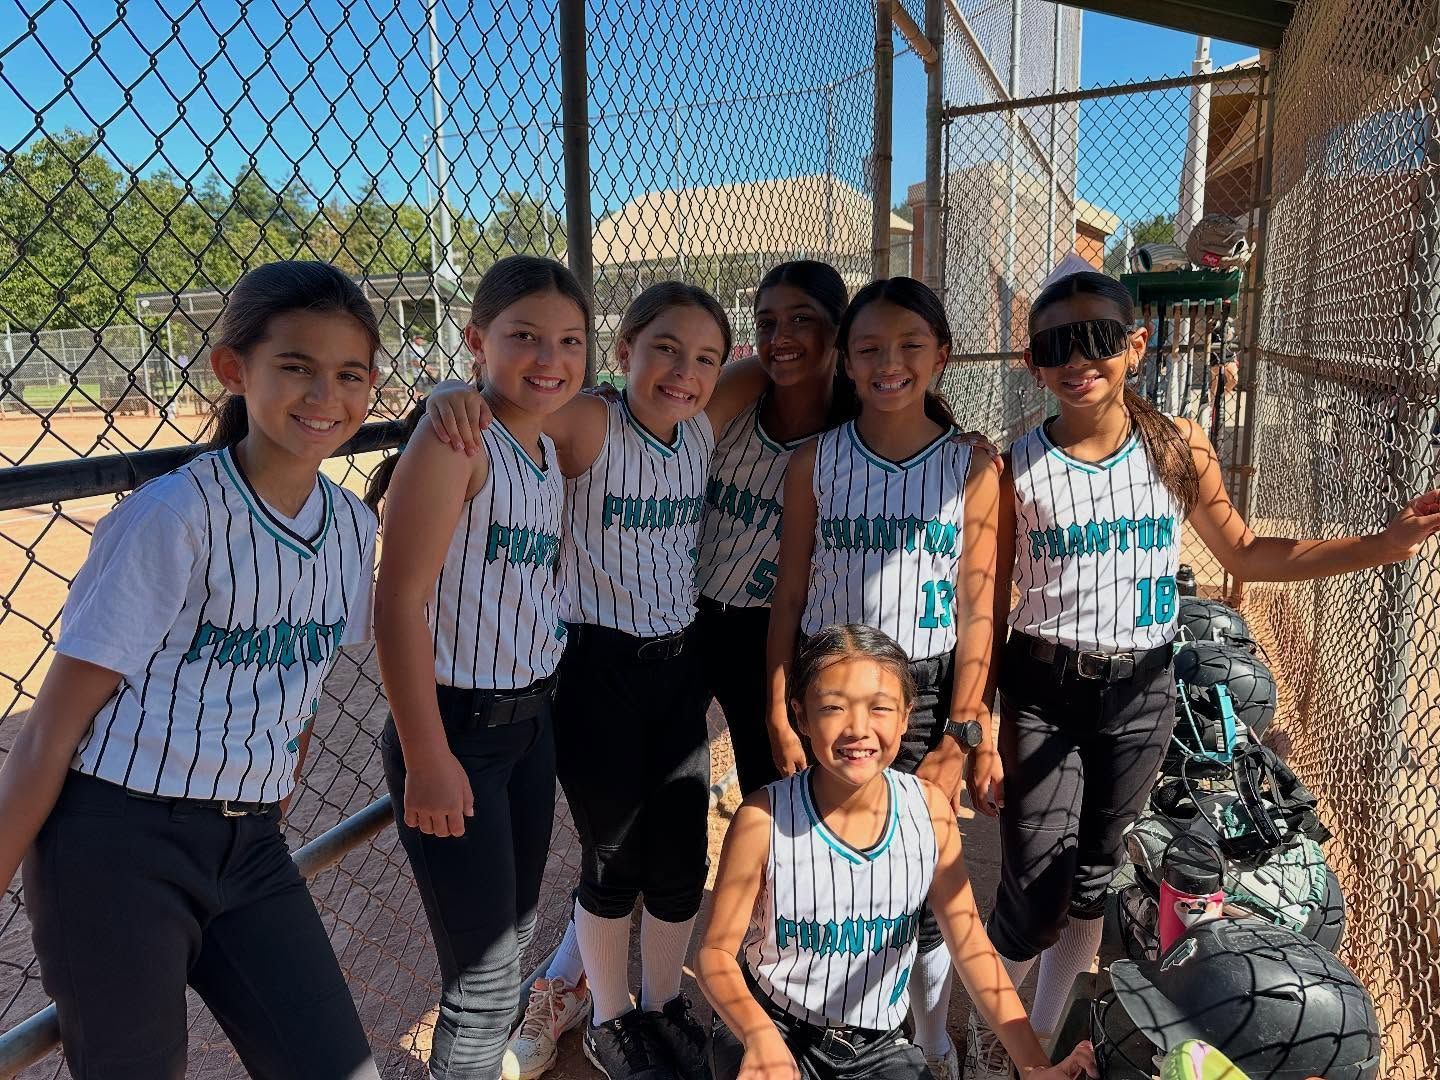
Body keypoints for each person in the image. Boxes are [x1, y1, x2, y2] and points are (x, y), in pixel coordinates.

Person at [963, 269, 1440, 1080]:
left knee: (1094, 878)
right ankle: (991, 1040)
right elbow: (984, 600)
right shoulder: (1017, 467)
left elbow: (1245, 552)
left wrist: (1379, 546)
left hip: (1143, 692)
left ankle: (1035, 1049)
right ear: (1032, 362)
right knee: (1033, 889)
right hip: (1043, 687)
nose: (1079, 360)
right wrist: (977, 725)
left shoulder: (1177, 448)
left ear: (1136, 346)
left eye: (1099, 339)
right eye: (1055, 346)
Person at [0, 261, 383, 1079]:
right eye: (296, 367)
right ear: (233, 370)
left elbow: (302, 682)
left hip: (249, 842)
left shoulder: (350, 525)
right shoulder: (173, 516)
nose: (325, 395)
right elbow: (51, 731)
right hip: (116, 843)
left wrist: (277, 772)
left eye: (348, 374)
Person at [423, 282, 769, 1080]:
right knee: (613, 858)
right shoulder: (594, 424)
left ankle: (661, 1006)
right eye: (665, 351)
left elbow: (766, 372)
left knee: (682, 856)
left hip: (678, 667)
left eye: (704, 358)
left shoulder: (699, 428)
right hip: (596, 670)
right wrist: (454, 391)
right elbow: (513, 405)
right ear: (622, 355)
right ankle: (612, 1020)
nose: (684, 372)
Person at [765, 276, 1000, 1079]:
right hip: (830, 693)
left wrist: (965, 729)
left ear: (942, 355)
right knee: (835, 861)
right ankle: (832, 1024)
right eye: (869, 348)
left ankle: (930, 1041)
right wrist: (776, 708)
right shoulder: (814, 463)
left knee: (927, 875)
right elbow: (790, 594)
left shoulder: (971, 466)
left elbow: (977, 610)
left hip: (927, 691)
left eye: (909, 346)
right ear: (846, 360)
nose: (888, 362)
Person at [366, 257, 589, 1079]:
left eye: (569, 340)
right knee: (485, 985)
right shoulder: (460, 439)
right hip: (456, 729)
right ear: (475, 341)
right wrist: (427, 757)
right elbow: (398, 603)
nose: (548, 357)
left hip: (531, 724)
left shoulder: (545, 443)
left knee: (516, 937)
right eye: (522, 336)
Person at [698, 624, 1096, 1080]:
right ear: (801, 716)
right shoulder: (763, 819)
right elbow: (714, 954)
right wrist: (758, 1036)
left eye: (879, 708)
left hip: (877, 1041)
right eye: (832, 707)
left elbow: (969, 946)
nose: (858, 729)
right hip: (774, 1025)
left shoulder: (927, 811)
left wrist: (1032, 1065)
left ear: (906, 716)